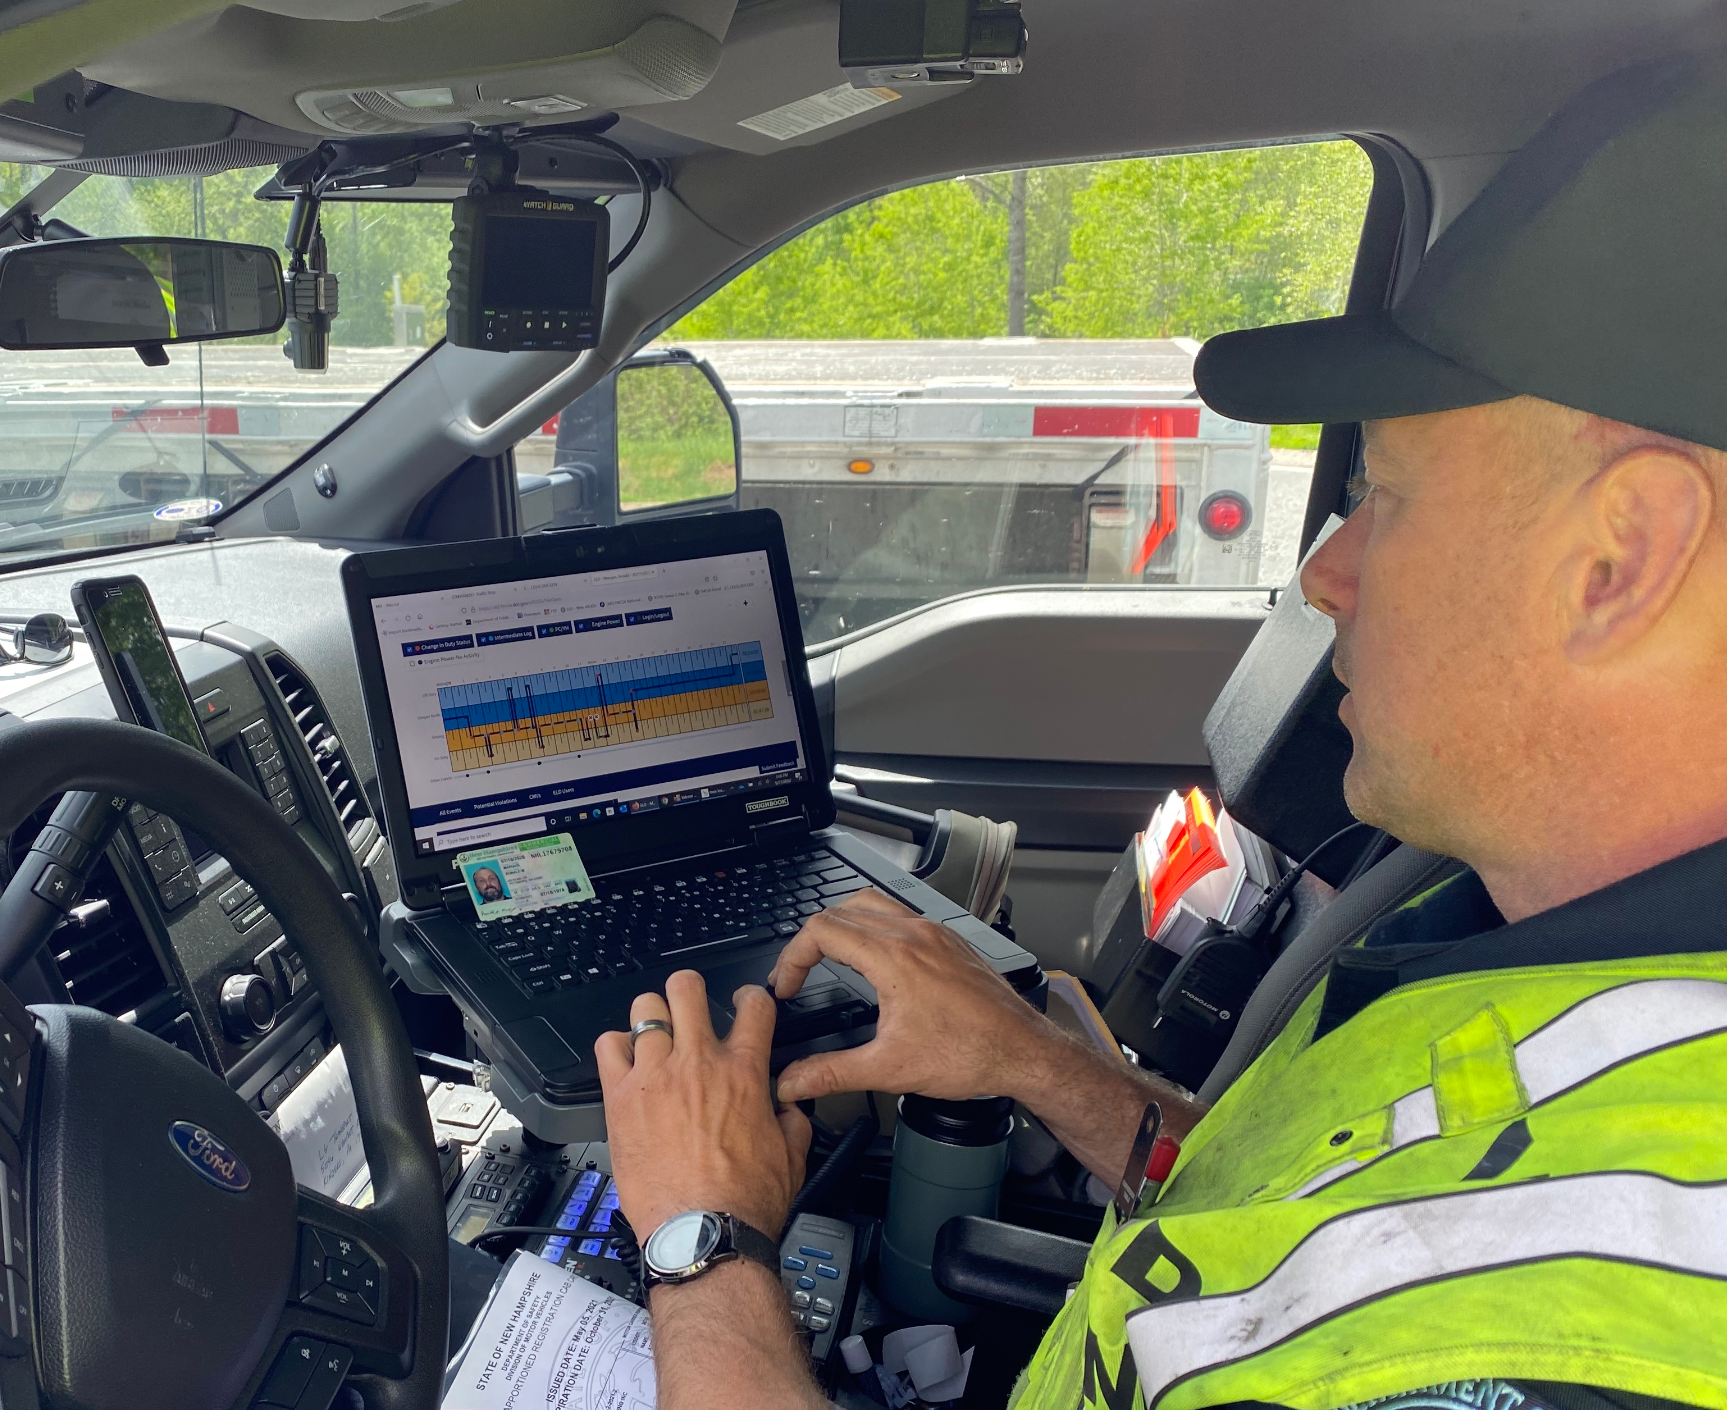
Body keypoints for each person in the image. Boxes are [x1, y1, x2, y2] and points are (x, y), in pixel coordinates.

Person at [598, 54, 1727, 1410]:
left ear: (1619, 558)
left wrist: (702, 1239)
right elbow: (1303, 1220)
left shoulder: (1588, 1328)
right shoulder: (1496, 911)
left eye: (1383, 494)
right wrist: (1036, 1063)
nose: (1325, 570)